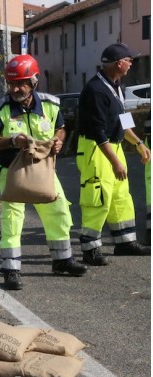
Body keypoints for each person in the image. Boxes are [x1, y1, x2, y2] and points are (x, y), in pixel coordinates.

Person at [0, 54, 88, 290]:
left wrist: (58, 142)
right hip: (12, 170)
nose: (16, 88)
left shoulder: (51, 105)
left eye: (21, 83)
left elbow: (61, 128)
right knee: (12, 218)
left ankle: (62, 260)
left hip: (44, 168)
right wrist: (12, 141)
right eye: (11, 83)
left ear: (34, 81)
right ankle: (11, 269)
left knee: (59, 210)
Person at [76, 43, 151, 265]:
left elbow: (123, 120)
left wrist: (138, 143)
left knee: (120, 196)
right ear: (119, 63)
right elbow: (98, 131)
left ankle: (125, 242)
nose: (131, 64)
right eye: (130, 60)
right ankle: (90, 249)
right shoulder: (95, 91)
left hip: (112, 145)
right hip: (96, 149)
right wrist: (115, 161)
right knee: (98, 198)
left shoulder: (115, 86)